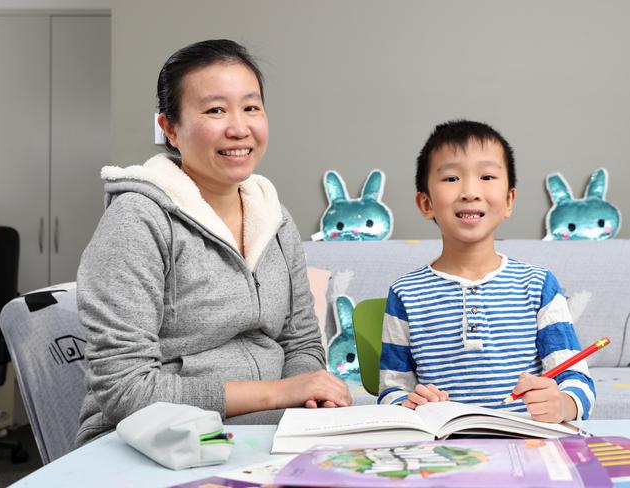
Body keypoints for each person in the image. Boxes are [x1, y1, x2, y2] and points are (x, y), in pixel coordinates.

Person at [75, 39, 351, 445]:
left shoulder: (274, 217)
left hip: (266, 430)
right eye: (215, 110)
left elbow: (302, 341)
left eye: (251, 107)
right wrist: (279, 393)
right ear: (170, 128)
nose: (239, 128)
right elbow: (125, 391)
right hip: (153, 438)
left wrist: (307, 407)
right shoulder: (137, 220)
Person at [378, 120, 595, 422]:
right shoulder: (405, 293)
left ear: (509, 200)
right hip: (443, 451)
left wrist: (563, 403)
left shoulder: (538, 285)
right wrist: (408, 404)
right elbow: (391, 391)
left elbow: (578, 382)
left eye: (487, 176)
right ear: (426, 203)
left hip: (527, 447)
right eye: (451, 178)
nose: (469, 191)